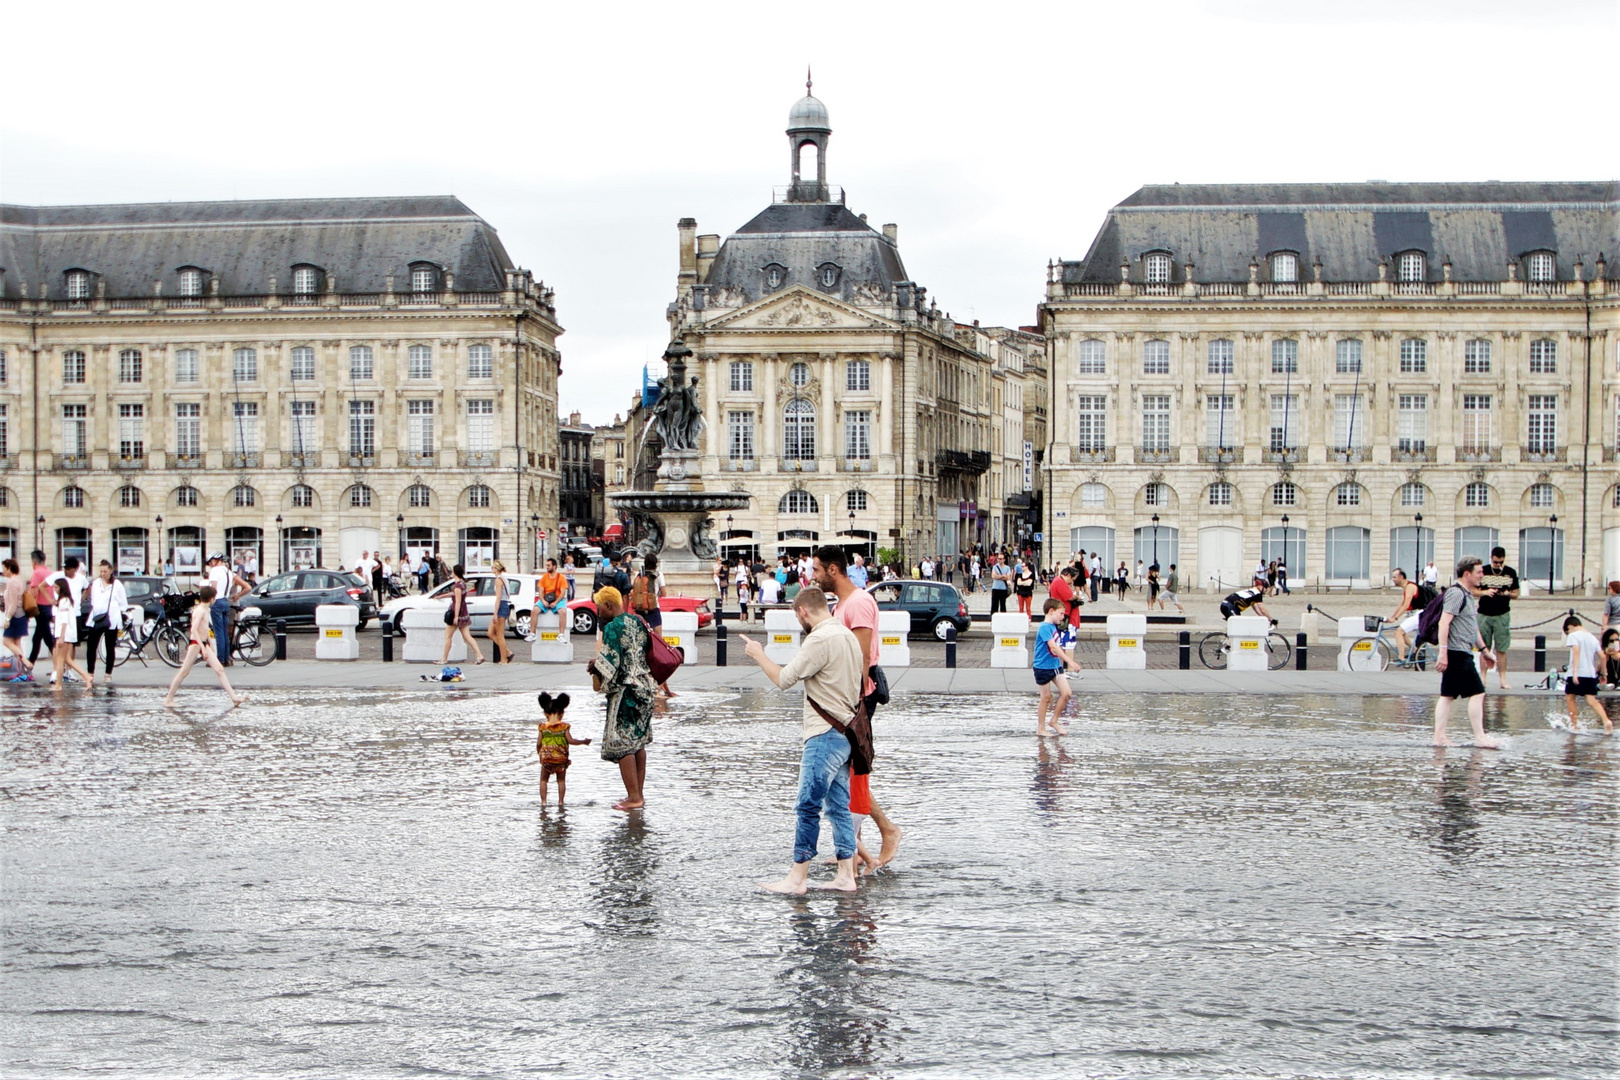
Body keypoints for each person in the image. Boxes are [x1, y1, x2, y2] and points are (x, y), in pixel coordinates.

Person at [739, 586, 864, 894]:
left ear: (803, 611)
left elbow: (783, 679)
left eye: (798, 616)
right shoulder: (847, 636)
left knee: (807, 806)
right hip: (846, 732)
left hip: (822, 734)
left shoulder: (820, 639)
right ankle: (846, 874)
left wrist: (758, 653)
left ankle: (797, 878)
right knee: (838, 807)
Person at [814, 545, 902, 869]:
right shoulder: (842, 605)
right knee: (848, 770)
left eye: (818, 571)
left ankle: (882, 833)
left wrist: (853, 704)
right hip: (847, 695)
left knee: (853, 769)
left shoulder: (860, 602)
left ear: (833, 570)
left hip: (858, 695)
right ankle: (855, 844)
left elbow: (862, 657)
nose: (815, 577)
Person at [585, 586, 656, 811]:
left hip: (626, 690)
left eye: (599, 608)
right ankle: (639, 794)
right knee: (638, 742)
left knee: (624, 744)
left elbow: (609, 663)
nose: (598, 612)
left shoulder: (613, 628)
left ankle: (633, 797)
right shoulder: (637, 622)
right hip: (645, 687)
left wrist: (594, 667)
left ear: (608, 606)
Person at [1433, 557, 1497, 749]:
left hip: (1462, 651)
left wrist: (1485, 651)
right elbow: (1443, 623)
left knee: (1448, 695)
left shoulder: (1468, 595)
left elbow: (1472, 626)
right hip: (1456, 652)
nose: (1482, 575)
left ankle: (1439, 737)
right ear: (1467, 574)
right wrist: (1443, 653)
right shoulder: (1456, 593)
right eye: (1479, 572)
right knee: (1478, 692)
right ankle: (1480, 736)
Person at [162, 585, 247, 707]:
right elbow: (194, 630)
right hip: (196, 644)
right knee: (184, 671)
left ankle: (234, 697)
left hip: (203, 643)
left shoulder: (206, 609)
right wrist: (202, 647)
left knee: (219, 669)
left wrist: (209, 643)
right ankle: (168, 699)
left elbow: (204, 628)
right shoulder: (200, 611)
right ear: (212, 598)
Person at [1034, 597, 1081, 735]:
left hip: (1055, 666)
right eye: (1061, 613)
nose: (1062, 617)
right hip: (1042, 667)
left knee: (1066, 693)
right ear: (1051, 611)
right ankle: (1041, 728)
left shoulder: (1053, 627)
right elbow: (1053, 647)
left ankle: (1054, 721)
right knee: (1046, 697)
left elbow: (1058, 645)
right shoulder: (1044, 627)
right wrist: (1070, 662)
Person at [535, 691, 591, 804]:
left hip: (547, 760)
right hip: (561, 760)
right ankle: (560, 801)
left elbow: (538, 743)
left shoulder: (542, 727)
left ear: (545, 714)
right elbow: (570, 741)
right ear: (562, 714)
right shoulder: (564, 727)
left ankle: (544, 802)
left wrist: (539, 753)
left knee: (543, 781)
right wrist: (583, 742)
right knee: (561, 781)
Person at [1476, 546, 1519, 692]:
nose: (1498, 565)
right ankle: (1482, 678)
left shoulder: (1510, 572)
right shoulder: (1483, 571)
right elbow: (1473, 591)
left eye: (1500, 562)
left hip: (1502, 614)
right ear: (1491, 558)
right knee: (1484, 648)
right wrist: (1486, 592)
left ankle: (1503, 679)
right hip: (1484, 613)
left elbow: (1516, 594)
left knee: (1502, 648)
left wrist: (1507, 593)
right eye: (1495, 562)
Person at [1561, 615, 1612, 734]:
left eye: (1567, 632)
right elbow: (1603, 657)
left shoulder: (1573, 635)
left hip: (1577, 672)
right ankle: (1606, 721)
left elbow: (1576, 651)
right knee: (1591, 699)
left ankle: (1574, 725)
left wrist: (1575, 673)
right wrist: (1604, 673)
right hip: (1590, 674)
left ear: (1570, 627)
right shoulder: (1592, 637)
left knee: (1570, 697)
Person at [83, 561, 130, 684]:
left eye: (105, 571)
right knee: (91, 646)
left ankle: (108, 673)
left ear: (110, 571)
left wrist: (119, 612)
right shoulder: (96, 583)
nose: (103, 574)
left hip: (112, 619)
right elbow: (93, 600)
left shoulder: (117, 584)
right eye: (101, 571)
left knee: (110, 646)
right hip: (97, 618)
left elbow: (123, 603)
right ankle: (90, 672)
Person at [49, 579, 94, 692]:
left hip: (64, 634)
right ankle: (86, 676)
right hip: (68, 634)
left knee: (60, 660)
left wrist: (61, 637)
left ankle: (59, 684)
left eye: (56, 587)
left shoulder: (64, 601)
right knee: (68, 659)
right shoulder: (66, 600)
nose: (54, 590)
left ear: (62, 588)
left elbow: (64, 620)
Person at [204, 553, 248, 666]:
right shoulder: (229, 572)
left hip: (216, 601)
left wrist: (207, 600)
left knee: (219, 633)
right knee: (224, 632)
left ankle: (220, 660)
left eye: (210, 562)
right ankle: (227, 658)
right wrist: (238, 595)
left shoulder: (215, 571)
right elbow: (247, 586)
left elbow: (213, 588)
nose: (210, 565)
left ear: (215, 560)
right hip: (225, 602)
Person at [1386, 568, 1435, 662]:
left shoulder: (1410, 587)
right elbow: (1401, 604)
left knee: (1398, 632)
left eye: (1394, 577)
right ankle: (1415, 650)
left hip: (1423, 613)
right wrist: (1392, 616)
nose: (1393, 579)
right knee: (1403, 631)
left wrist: (1395, 618)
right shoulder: (1406, 587)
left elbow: (1405, 605)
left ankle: (1401, 657)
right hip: (1421, 613)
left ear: (1401, 577)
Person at [440, 564, 485, 665]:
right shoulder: (463, 584)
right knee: (467, 636)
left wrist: (456, 616)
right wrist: (442, 595)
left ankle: (444, 659)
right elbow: (454, 594)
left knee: (447, 636)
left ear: (455, 573)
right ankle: (479, 655)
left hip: (458, 613)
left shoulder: (457, 586)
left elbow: (458, 601)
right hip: (464, 612)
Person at [3, 558, 35, 680]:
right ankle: (23, 670)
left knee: (6, 641)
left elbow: (13, 603)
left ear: (9, 568)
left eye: (4, 568)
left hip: (15, 616)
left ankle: (26, 662)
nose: (3, 571)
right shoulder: (20, 580)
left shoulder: (11, 582)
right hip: (22, 615)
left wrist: (7, 618)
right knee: (17, 642)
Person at [26, 550, 57, 669]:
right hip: (48, 606)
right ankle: (30, 663)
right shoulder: (50, 572)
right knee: (37, 637)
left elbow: (33, 592)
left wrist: (29, 609)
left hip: (40, 607)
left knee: (48, 638)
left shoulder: (36, 573)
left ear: (33, 561)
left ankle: (60, 665)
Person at [486, 560, 513, 664]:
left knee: (500, 635)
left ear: (496, 569)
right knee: (490, 632)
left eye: (493, 567)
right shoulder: (504, 578)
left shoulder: (498, 580)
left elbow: (498, 597)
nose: (491, 569)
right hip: (504, 605)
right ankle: (507, 653)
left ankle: (503, 659)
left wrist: (495, 613)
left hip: (501, 606)